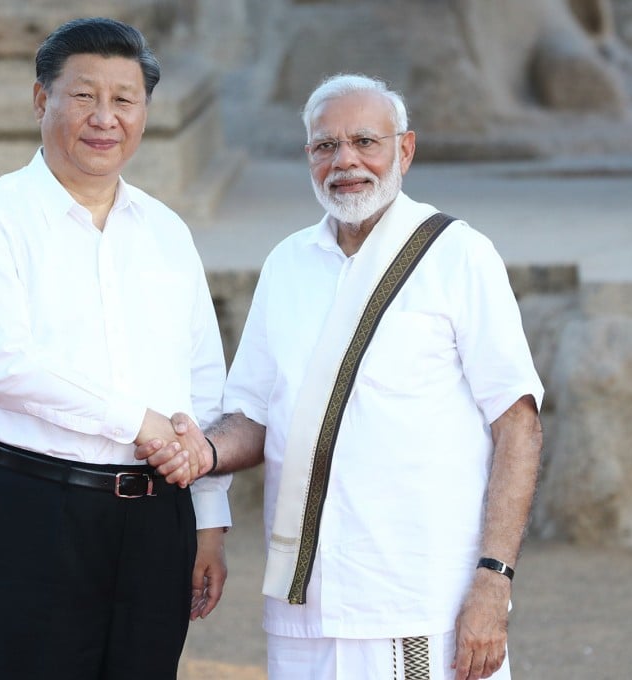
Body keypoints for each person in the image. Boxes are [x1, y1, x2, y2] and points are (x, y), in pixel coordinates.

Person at [139, 73, 544, 680]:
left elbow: (519, 426)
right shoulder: (286, 263)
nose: (345, 161)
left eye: (364, 141)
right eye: (326, 146)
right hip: (307, 600)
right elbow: (253, 414)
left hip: (420, 596)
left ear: (404, 150)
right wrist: (201, 452)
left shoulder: (459, 255)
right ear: (308, 158)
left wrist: (494, 581)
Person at [0, 17, 230, 680]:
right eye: (83, 96)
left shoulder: (165, 231)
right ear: (43, 101)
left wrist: (209, 521)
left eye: (124, 100)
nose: (105, 118)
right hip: (33, 507)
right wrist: (138, 422)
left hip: (159, 518)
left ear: (145, 111)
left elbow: (203, 383)